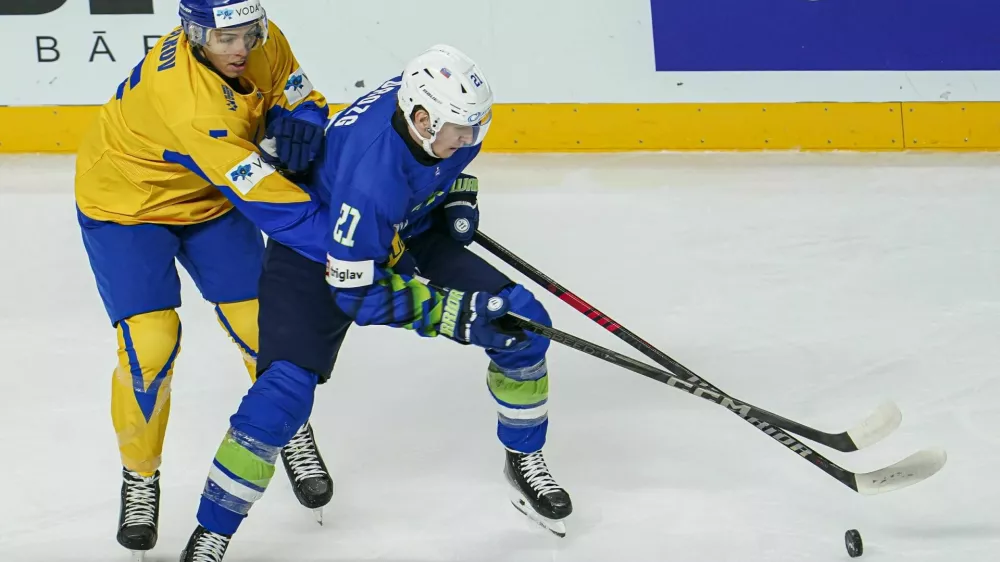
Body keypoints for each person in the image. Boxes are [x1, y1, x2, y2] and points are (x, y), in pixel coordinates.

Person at [178, 44, 573, 562]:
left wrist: (457, 193)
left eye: (477, 126)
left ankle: (524, 459)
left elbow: (437, 169)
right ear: (422, 118)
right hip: (321, 253)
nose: (470, 140)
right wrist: (455, 315)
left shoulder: (437, 116)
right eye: (460, 130)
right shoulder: (372, 178)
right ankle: (214, 531)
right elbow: (357, 293)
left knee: (524, 324)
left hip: (403, 228)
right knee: (281, 397)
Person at [74, 1, 336, 559]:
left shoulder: (259, 42)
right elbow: (266, 197)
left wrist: (304, 123)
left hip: (208, 199)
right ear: (194, 36)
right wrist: (343, 245)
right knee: (150, 349)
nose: (242, 48)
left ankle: (285, 425)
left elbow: (301, 94)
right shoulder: (187, 102)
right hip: (127, 208)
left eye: (249, 33)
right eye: (225, 39)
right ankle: (140, 476)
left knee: (266, 331)